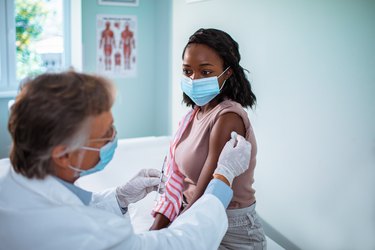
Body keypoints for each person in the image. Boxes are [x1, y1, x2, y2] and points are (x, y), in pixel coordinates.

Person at [0, 71, 252, 250]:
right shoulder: (89, 233)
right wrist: (222, 178)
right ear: (63, 154)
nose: (114, 138)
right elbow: (181, 244)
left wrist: (119, 197)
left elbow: (65, 210)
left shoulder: (14, 187)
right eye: (106, 133)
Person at [150, 28, 267, 249]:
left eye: (205, 72)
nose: (193, 79)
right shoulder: (194, 114)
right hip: (196, 215)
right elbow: (178, 180)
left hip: (231, 229)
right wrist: (152, 234)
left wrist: (176, 234)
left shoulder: (228, 118)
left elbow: (204, 194)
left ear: (228, 73)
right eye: (187, 71)